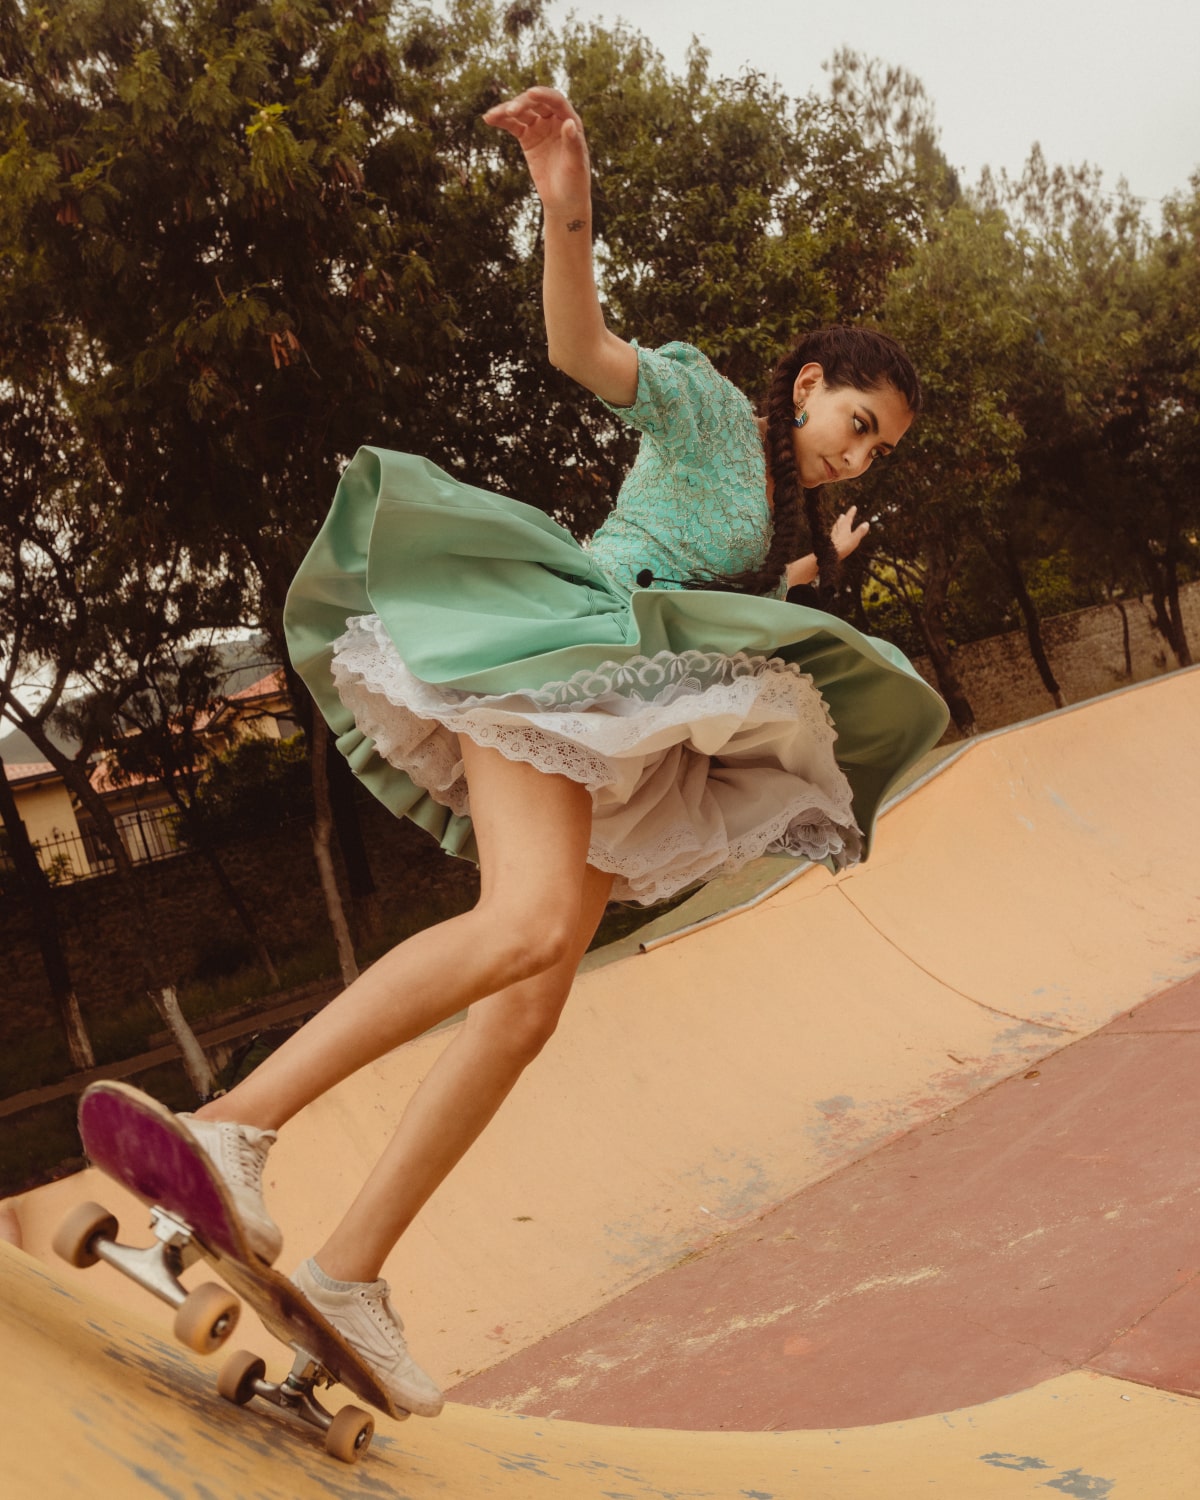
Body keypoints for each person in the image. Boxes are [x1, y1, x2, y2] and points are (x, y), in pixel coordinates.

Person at [182, 88, 948, 1419]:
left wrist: (817, 568)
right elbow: (582, 345)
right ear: (810, 383)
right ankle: (231, 1126)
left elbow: (745, 570)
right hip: (563, 656)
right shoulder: (713, 410)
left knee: (528, 1003)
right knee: (525, 923)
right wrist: (566, 196)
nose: (858, 457)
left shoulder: (784, 512)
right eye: (858, 425)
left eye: (875, 452)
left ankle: (352, 1272)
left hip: (627, 720)